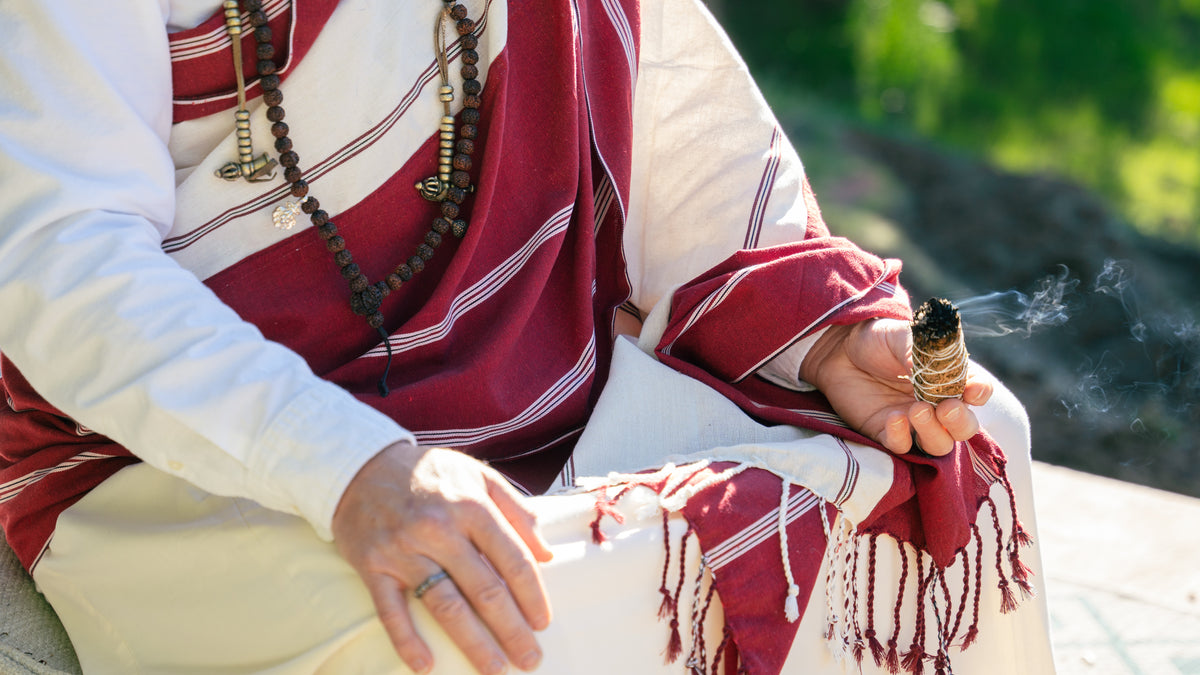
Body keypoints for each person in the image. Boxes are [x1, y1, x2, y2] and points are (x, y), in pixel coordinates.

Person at [0, 0, 1054, 673]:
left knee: (967, 443)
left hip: (528, 372)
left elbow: (669, 105)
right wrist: (351, 465)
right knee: (460, 624)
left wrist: (823, 337)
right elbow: (56, 254)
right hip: (186, 446)